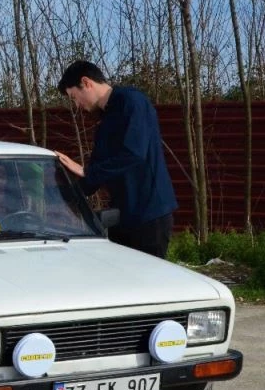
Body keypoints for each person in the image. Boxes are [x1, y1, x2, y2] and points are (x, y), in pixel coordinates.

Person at [55, 60, 177, 258]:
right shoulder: (105, 120)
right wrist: (62, 195)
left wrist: (89, 172)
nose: (77, 105)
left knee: (146, 284)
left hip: (149, 214)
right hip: (122, 215)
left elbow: (133, 154)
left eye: (75, 97)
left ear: (86, 83)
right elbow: (98, 170)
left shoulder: (132, 102)